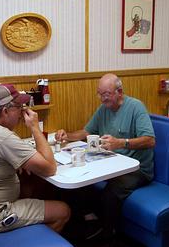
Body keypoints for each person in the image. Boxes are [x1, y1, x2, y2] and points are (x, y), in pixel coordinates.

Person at [0, 83, 70, 233]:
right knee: (63, 211)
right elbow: (50, 168)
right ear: (5, 111)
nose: (22, 112)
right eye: (19, 107)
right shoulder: (3, 137)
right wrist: (34, 127)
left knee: (31, 180)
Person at [55, 73, 155, 242]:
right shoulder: (104, 109)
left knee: (110, 194)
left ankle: (108, 234)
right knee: (79, 184)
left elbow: (150, 140)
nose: (102, 98)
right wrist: (68, 136)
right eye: (100, 94)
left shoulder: (136, 107)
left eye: (106, 94)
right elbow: (87, 131)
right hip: (111, 164)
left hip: (137, 169)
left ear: (120, 92)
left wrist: (122, 143)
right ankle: (86, 224)